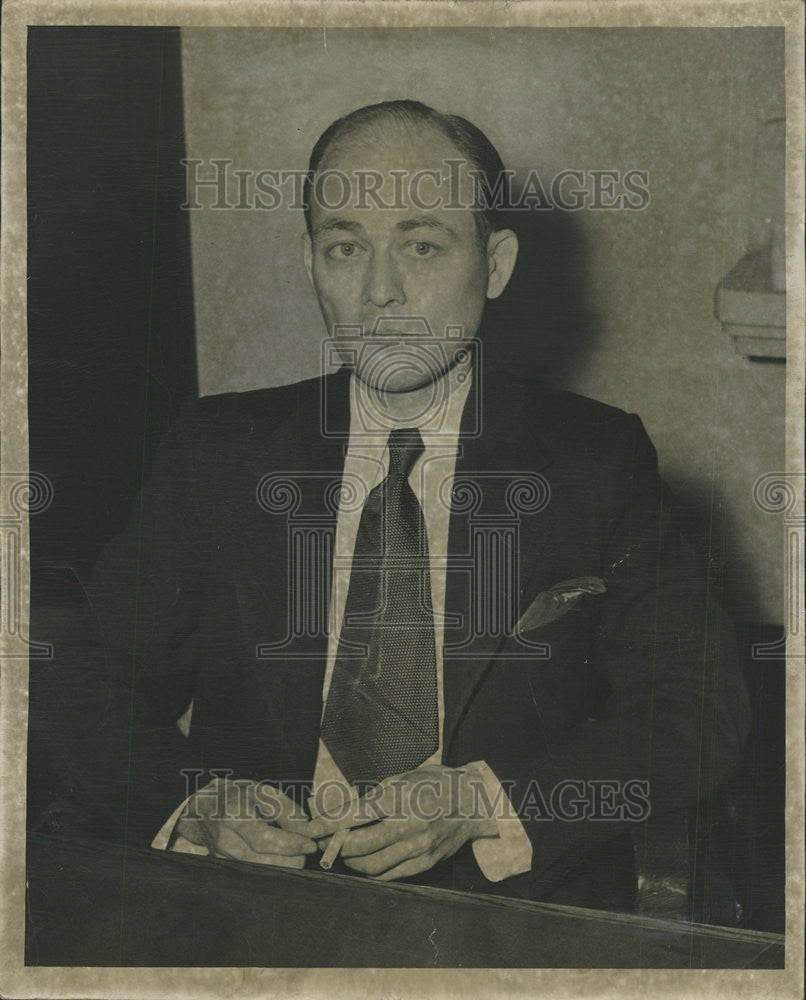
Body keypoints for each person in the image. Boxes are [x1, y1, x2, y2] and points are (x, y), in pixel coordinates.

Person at [29, 100, 751, 912]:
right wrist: (192, 800)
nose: (380, 291)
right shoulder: (217, 450)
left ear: (497, 263)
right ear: (311, 264)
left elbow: (695, 708)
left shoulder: (596, 460)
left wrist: (486, 800)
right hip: (256, 910)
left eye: (421, 244)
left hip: (509, 919)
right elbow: (85, 675)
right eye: (345, 246)